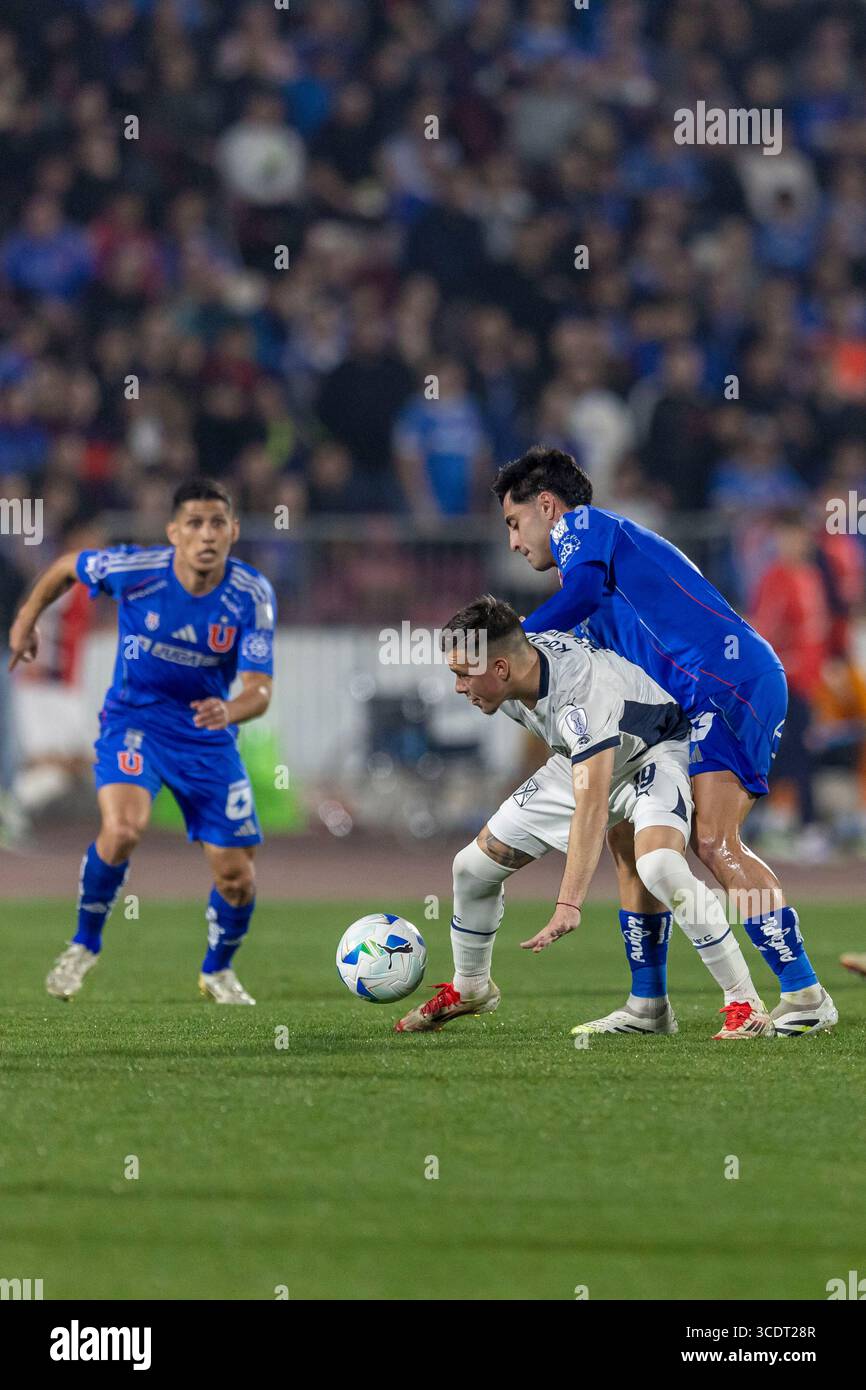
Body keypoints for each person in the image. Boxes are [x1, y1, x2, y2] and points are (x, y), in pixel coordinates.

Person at [493, 445, 837, 1038]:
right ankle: (648, 1004)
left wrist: (511, 640)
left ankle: (805, 993)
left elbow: (574, 601)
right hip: (703, 695)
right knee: (629, 835)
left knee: (714, 840)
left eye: (514, 522)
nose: (514, 541)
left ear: (546, 506)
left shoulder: (581, 528)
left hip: (727, 684)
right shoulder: (597, 580)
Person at [396, 597, 774, 1040]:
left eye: (463, 674)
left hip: (649, 755)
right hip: (581, 760)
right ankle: (471, 986)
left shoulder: (580, 697)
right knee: (473, 867)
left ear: (500, 669)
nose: (459, 686)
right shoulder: (518, 657)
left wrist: (568, 904)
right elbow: (514, 624)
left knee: (660, 867)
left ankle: (744, 1001)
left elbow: (593, 804)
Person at [8, 478, 276, 1005]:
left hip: (206, 735)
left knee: (237, 878)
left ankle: (216, 970)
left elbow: (260, 691)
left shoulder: (251, 595)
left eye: (217, 523)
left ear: (234, 531)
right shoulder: (137, 570)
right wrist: (25, 620)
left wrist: (231, 709)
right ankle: (84, 943)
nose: (206, 535)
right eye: (194, 524)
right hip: (134, 723)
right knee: (124, 828)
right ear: (174, 532)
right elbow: (67, 566)